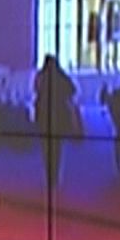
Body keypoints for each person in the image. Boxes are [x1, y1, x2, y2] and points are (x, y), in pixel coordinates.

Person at [33, 54, 78, 190]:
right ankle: (56, 176)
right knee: (57, 148)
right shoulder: (61, 77)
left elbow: (36, 90)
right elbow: (72, 90)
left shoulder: (41, 76)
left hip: (43, 115)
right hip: (59, 115)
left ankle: (49, 175)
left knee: (46, 148)